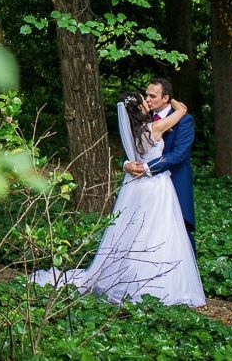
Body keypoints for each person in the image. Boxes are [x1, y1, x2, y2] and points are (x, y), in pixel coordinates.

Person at [29, 91, 205, 307]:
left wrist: (131, 165)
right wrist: (175, 101)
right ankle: (160, 285)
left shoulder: (131, 129)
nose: (148, 100)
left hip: (136, 187)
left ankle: (129, 278)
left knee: (135, 232)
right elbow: (183, 111)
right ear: (139, 108)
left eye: (151, 96)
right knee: (159, 231)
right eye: (144, 99)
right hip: (155, 187)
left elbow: (141, 154)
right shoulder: (155, 128)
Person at [124, 78, 197, 254]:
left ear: (166, 98)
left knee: (181, 229)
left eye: (152, 96)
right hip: (147, 187)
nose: (148, 99)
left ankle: (188, 276)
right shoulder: (142, 116)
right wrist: (127, 165)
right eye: (146, 95)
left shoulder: (184, 120)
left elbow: (180, 153)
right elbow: (129, 150)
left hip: (176, 181)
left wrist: (148, 168)